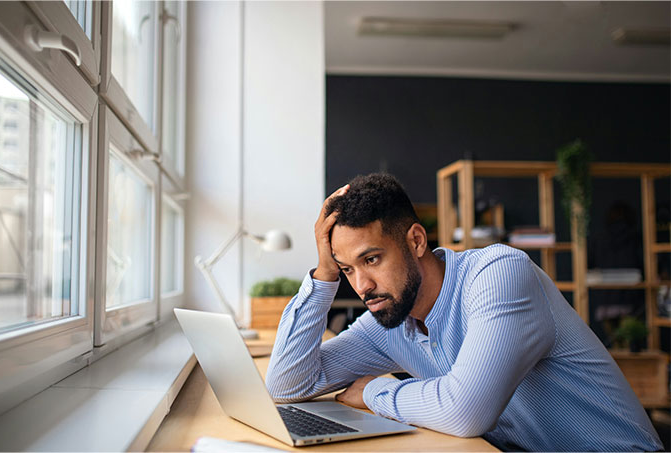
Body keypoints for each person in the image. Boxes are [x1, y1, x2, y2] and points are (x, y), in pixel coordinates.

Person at [265, 173, 662, 452]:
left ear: (416, 240)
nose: (362, 285)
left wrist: (372, 391)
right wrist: (324, 273)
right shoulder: (387, 318)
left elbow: (464, 410)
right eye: (349, 269)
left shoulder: (498, 275)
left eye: (372, 259)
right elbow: (286, 385)